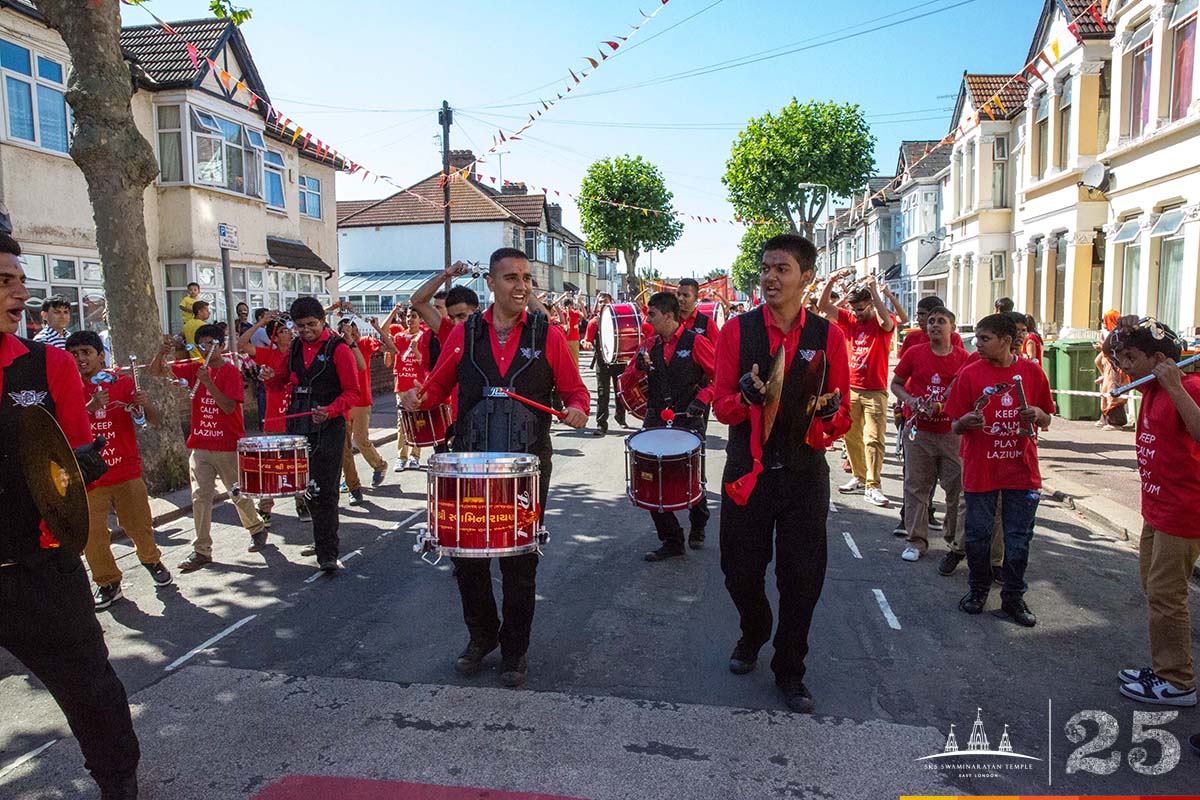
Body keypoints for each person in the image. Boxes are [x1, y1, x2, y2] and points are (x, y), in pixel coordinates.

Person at [401, 247, 588, 688]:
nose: (521, 286)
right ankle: (482, 637)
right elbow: (436, 387)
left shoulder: (548, 334)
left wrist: (578, 409)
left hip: (526, 466)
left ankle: (515, 651)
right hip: (469, 462)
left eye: (526, 278)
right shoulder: (464, 335)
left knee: (520, 562)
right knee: (467, 561)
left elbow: (575, 391)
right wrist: (416, 398)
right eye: (511, 278)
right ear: (491, 283)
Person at [0, 233, 140, 799]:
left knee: (89, 685)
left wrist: (72, 469)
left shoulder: (48, 363)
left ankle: (118, 781)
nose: (21, 291)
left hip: (40, 565)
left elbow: (76, 464)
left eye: (19, 278)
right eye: (6, 280)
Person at [713, 234, 850, 714]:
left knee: (803, 577)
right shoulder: (736, 331)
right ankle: (754, 629)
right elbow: (722, 406)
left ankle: (790, 670)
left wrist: (827, 417)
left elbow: (843, 413)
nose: (770, 277)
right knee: (739, 572)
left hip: (803, 473)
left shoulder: (829, 336)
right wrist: (745, 398)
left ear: (806, 278)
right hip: (747, 472)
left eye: (782, 269)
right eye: (766, 268)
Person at [1103, 316, 1200, 707]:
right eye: (1120, 357)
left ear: (1160, 359)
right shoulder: (1151, 389)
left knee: (1166, 595)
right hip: (1156, 508)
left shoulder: (1187, 386)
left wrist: (1176, 386)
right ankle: (1165, 666)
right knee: (1154, 589)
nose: (1123, 365)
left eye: (1130, 357)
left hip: (1184, 510)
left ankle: (1177, 682)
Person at [944, 313, 1054, 627]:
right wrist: (964, 423)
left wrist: (1037, 414)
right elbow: (954, 424)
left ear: (1005, 341)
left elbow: (1047, 418)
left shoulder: (1032, 373)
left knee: (1018, 540)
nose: (976, 344)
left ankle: (1013, 598)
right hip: (982, 471)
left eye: (984, 338)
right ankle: (977, 591)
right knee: (978, 537)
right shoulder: (970, 373)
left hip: (1021, 472)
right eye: (976, 338)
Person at [67, 331, 172, 609]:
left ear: (101, 356)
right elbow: (61, 430)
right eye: (74, 354)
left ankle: (151, 559)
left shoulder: (123, 383)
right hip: (88, 477)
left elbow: (152, 420)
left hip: (125, 469)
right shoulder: (65, 389)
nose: (80, 359)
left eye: (86, 353)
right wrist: (89, 407)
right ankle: (107, 582)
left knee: (139, 524)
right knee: (93, 535)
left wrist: (145, 403)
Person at [151, 326, 266, 571]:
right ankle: (201, 549)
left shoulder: (231, 372)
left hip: (226, 445)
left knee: (237, 493)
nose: (207, 349)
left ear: (222, 346)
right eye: (202, 344)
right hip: (200, 445)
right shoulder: (195, 368)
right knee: (200, 497)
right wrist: (161, 353)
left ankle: (255, 526)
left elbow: (227, 407)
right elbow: (157, 372)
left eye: (212, 343)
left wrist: (207, 382)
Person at [263, 296, 361, 571]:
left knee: (326, 490)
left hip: (329, 427)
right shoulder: (294, 348)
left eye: (311, 325)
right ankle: (321, 539)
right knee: (306, 488)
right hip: (299, 425)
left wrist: (330, 410)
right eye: (300, 326)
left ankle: (328, 553)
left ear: (323, 321)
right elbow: (278, 383)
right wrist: (268, 376)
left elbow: (353, 391)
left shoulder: (338, 349)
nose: (305, 330)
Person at [623, 291, 715, 560]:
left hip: (689, 416)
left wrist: (703, 398)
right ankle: (672, 540)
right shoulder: (649, 345)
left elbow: (720, 377)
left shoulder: (696, 342)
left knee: (688, 475)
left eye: (652, 314)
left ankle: (699, 520)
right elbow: (626, 384)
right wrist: (638, 368)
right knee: (650, 477)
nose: (647, 319)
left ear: (669, 316)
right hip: (656, 418)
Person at [890, 308, 968, 562]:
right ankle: (916, 541)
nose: (934, 325)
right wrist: (911, 401)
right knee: (916, 487)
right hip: (919, 431)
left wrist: (950, 405)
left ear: (952, 328)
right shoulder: (914, 353)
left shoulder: (964, 359)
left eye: (941, 322)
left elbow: (969, 393)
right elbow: (896, 384)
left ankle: (954, 540)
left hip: (951, 433)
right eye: (931, 321)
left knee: (955, 488)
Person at [818, 269, 895, 506]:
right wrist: (831, 280)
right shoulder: (849, 319)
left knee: (873, 438)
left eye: (862, 308)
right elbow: (823, 306)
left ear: (870, 305)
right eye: (855, 308)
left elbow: (887, 323)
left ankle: (874, 484)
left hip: (874, 390)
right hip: (851, 388)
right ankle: (859, 477)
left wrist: (874, 292)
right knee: (850, 436)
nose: (857, 312)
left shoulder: (880, 319)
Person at [238, 315, 308, 525]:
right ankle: (265, 508)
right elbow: (241, 345)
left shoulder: (300, 352)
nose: (289, 333)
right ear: (275, 337)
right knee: (271, 464)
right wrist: (259, 324)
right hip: (275, 416)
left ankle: (302, 502)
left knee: (297, 462)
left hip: (295, 414)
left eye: (290, 330)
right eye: (284, 331)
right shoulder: (268, 354)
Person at [337, 317, 393, 502]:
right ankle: (351, 481)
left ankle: (379, 464)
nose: (352, 335)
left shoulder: (365, 343)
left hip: (361, 401)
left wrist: (376, 327)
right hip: (344, 403)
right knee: (344, 446)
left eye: (354, 331)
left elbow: (391, 349)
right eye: (347, 332)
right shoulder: (338, 348)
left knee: (360, 440)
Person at [584, 293, 628, 436]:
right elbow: (587, 340)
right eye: (600, 301)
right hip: (602, 361)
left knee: (619, 391)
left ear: (612, 302)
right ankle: (601, 424)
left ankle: (621, 418)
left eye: (605, 301)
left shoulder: (619, 320)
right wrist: (587, 344)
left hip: (618, 361)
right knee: (603, 394)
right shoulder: (594, 322)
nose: (602, 304)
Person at [391, 307, 427, 470]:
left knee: (417, 422)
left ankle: (415, 455)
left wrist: (416, 350)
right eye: (407, 316)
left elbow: (425, 363)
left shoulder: (424, 335)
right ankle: (401, 456)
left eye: (414, 316)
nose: (410, 319)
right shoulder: (399, 336)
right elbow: (387, 341)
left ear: (420, 319)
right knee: (402, 423)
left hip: (417, 386)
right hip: (402, 385)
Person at [1095, 309, 1129, 430]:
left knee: (1113, 393)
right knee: (1105, 393)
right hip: (1108, 368)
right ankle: (1105, 418)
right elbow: (1099, 360)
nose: (1103, 323)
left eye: (1106, 320)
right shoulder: (1110, 333)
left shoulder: (1119, 334)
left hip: (1116, 368)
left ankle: (1115, 422)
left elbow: (1115, 351)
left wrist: (1103, 347)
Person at [898, 296, 964, 357]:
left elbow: (961, 364)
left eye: (922, 314)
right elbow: (904, 365)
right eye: (918, 315)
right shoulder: (912, 337)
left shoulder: (954, 338)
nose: (918, 319)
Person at [677, 278, 719, 344]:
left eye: (686, 295)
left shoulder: (707, 323)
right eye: (678, 294)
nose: (680, 298)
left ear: (696, 297)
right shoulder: (668, 320)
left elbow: (717, 350)